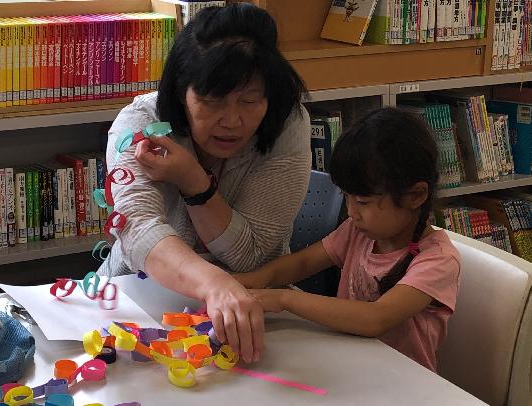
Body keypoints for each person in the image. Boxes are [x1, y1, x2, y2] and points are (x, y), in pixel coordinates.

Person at [98, 3, 311, 365]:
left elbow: (250, 254)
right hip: (137, 308)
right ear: (182, 91)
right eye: (212, 102)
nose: (232, 121)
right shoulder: (141, 122)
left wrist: (193, 180)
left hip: (251, 311)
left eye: (249, 100)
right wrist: (215, 283)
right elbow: (138, 228)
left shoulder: (286, 124)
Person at [234, 107, 461, 372]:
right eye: (347, 197)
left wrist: (284, 299)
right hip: (349, 367)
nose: (352, 212)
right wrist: (242, 283)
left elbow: (376, 318)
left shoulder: (438, 260)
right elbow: (302, 263)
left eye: (363, 201)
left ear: (415, 196)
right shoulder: (359, 232)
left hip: (401, 384)